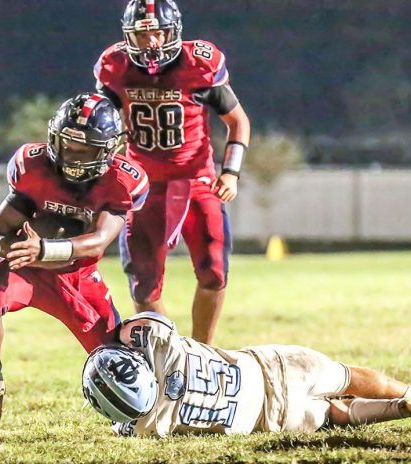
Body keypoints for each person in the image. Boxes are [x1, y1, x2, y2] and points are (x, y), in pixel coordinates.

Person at [0, 93, 149, 427]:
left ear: (109, 149)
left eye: (87, 149)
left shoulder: (121, 181)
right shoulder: (33, 166)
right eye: (68, 145)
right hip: (28, 270)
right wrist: (20, 251)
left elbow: (97, 242)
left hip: (77, 277)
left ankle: (131, 415)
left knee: (117, 360)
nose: (74, 156)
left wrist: (45, 249)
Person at [94, 0, 251, 344]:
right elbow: (104, 124)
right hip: (142, 186)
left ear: (174, 31)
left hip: (196, 181)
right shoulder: (115, 66)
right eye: (143, 33)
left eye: (158, 32)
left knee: (213, 272)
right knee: (143, 283)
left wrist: (231, 173)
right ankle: (173, 354)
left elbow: (237, 121)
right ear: (128, 36)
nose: (151, 42)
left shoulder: (199, 65)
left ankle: (203, 353)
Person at [82, 312, 411, 437]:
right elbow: (144, 323)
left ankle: (403, 409)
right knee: (347, 377)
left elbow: (124, 424)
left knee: (337, 416)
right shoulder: (161, 345)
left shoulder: (149, 425)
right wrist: (123, 340)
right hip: (275, 368)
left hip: (272, 420)